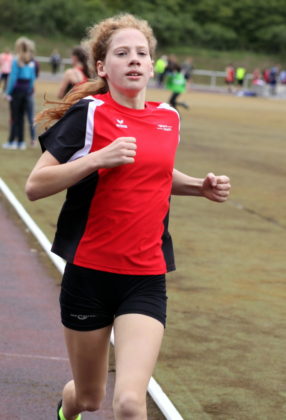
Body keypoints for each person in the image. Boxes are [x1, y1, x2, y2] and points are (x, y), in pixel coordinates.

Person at [25, 13, 231, 420]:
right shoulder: (89, 113)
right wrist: (97, 158)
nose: (134, 59)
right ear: (103, 67)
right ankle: (67, 411)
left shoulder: (168, 118)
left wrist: (197, 186)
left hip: (145, 276)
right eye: (122, 53)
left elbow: (153, 173)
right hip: (89, 275)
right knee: (89, 398)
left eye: (142, 53)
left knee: (131, 403)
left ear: (152, 64)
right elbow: (36, 185)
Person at [2, 37, 37, 150]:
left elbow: (13, 78)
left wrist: (7, 92)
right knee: (24, 117)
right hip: (27, 91)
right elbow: (32, 78)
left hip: (17, 92)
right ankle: (21, 142)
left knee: (15, 117)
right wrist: (30, 90)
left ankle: (13, 141)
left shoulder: (16, 60)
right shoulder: (31, 60)